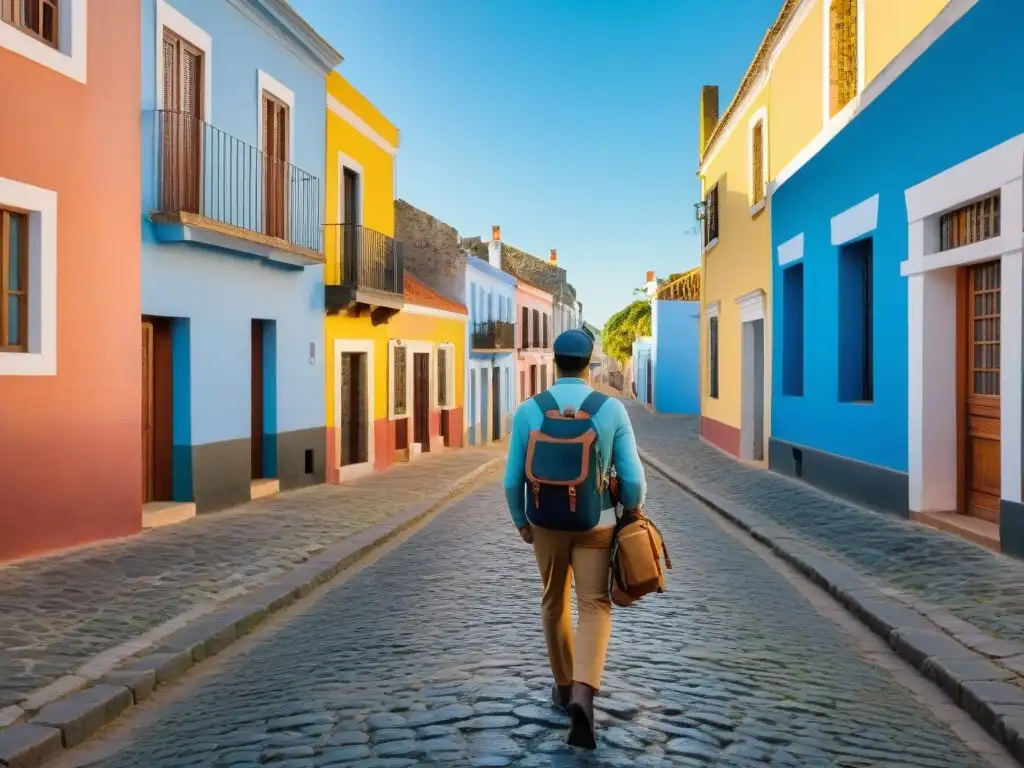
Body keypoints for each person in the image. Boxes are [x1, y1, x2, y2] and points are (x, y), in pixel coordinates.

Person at [504, 328, 647, 749]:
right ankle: (585, 694)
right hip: (596, 523)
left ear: (554, 361)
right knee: (595, 605)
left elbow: (512, 479)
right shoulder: (611, 409)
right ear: (590, 363)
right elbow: (634, 479)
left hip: (545, 522)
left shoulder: (529, 410)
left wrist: (521, 521)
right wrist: (630, 510)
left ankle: (564, 688)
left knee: (553, 599)